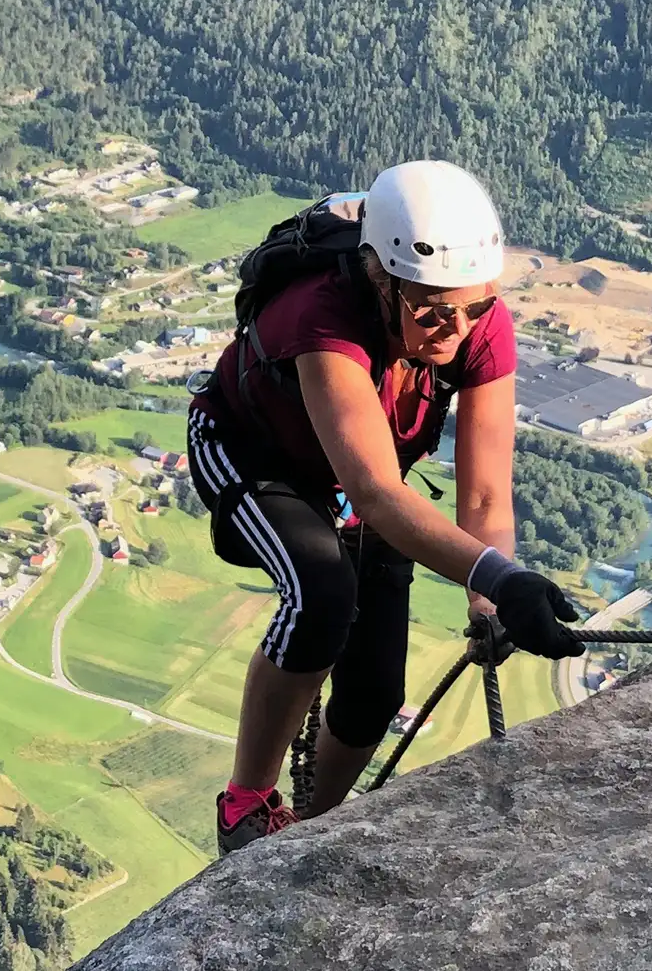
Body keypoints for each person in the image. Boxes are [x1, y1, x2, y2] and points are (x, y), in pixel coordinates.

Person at [186, 160, 585, 854]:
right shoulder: (325, 319)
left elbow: (485, 492)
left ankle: (312, 831)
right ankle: (246, 805)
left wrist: (489, 607)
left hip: (366, 483)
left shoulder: (478, 325)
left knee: (373, 694)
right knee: (321, 593)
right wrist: (499, 578)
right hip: (253, 455)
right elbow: (372, 490)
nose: (455, 330)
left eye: (475, 308)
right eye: (433, 312)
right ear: (380, 278)